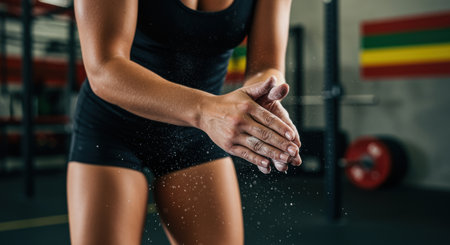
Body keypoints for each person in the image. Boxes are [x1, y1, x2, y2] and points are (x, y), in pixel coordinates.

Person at [67, 0, 301, 244]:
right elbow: (104, 68)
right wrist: (206, 111)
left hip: (200, 129)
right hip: (116, 127)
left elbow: (267, 65)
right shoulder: (206, 111)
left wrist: (265, 94)